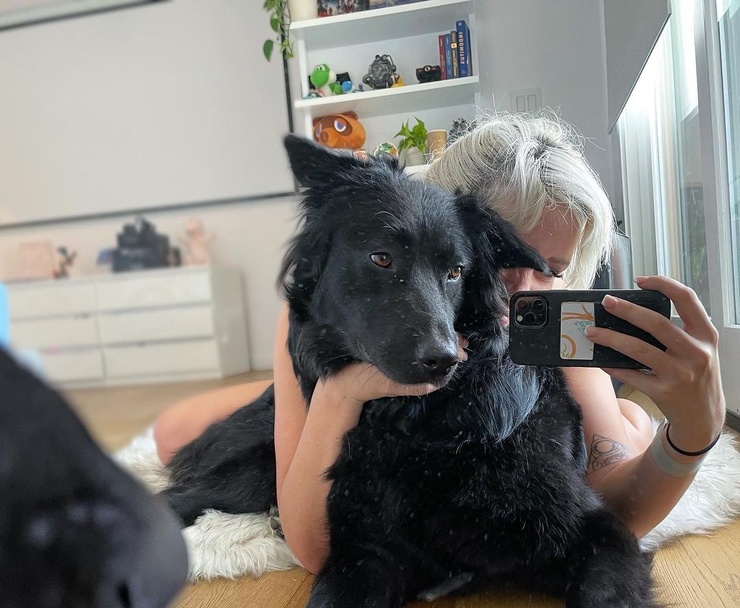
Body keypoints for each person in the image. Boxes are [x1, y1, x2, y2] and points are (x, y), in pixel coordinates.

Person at [153, 112, 726, 575]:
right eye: (501, 257)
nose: (524, 290)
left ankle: (629, 416)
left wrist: (692, 433)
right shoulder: (330, 300)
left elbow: (612, 514)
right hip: (381, 344)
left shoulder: (546, 329)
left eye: (550, 268)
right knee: (174, 434)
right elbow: (313, 547)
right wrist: (335, 395)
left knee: (630, 423)